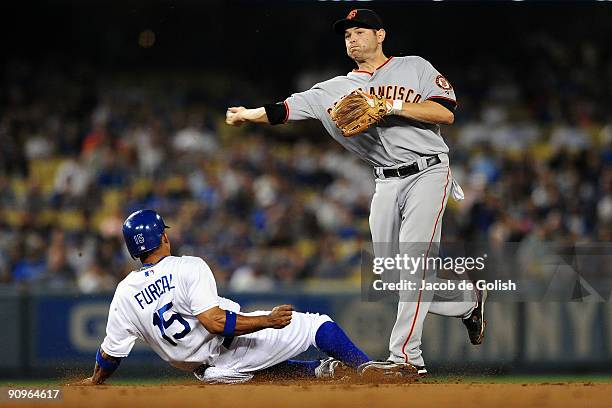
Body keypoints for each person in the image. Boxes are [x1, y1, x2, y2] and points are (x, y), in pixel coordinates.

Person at [225, 9, 487, 375]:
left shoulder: (414, 67)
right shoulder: (331, 91)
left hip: (429, 171)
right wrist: (246, 115)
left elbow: (445, 114)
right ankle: (466, 302)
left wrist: (389, 105)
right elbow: (284, 109)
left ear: (381, 34)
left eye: (359, 31)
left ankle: (407, 360)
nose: (351, 38)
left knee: (413, 266)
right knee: (391, 276)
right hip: (385, 180)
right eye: (346, 34)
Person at [80, 209, 416, 385]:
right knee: (318, 325)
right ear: (162, 238)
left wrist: (95, 381)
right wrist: (266, 320)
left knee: (262, 372)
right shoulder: (187, 266)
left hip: (211, 376)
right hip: (230, 344)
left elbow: (110, 354)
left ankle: (320, 372)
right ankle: (365, 366)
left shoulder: (124, 292)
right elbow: (214, 322)